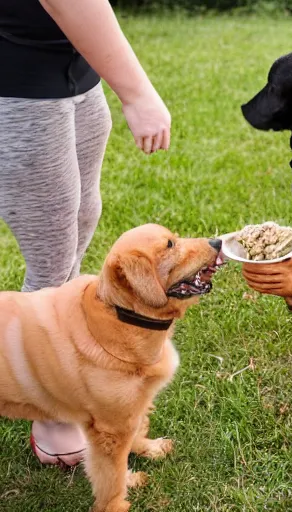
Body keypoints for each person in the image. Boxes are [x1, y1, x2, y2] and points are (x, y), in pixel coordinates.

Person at [0, 0, 171, 466]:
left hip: (78, 74)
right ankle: (50, 408)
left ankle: (64, 364)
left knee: (78, 227)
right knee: (52, 260)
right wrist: (137, 92)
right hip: (18, 88)